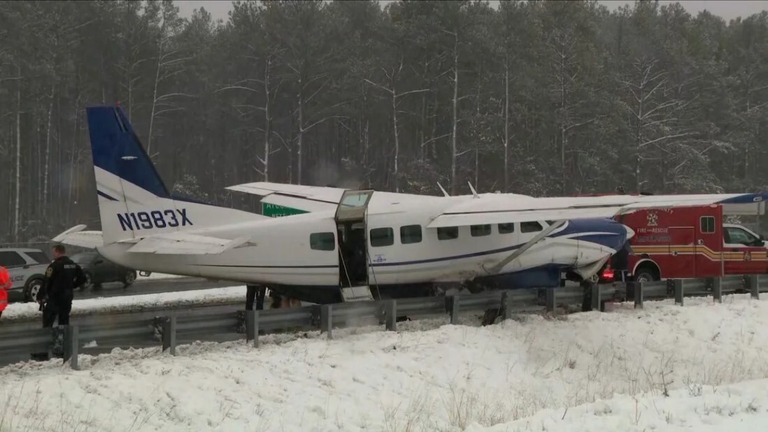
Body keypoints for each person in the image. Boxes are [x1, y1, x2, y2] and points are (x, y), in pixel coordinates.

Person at [37, 244, 87, 328]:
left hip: (55, 297)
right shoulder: (73, 265)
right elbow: (83, 279)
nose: (53, 254)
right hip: (67, 297)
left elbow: (46, 281)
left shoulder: (54, 266)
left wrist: (40, 295)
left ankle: (48, 338)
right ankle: (63, 338)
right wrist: (72, 285)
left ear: (57, 252)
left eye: (53, 252)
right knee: (64, 321)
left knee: (48, 320)